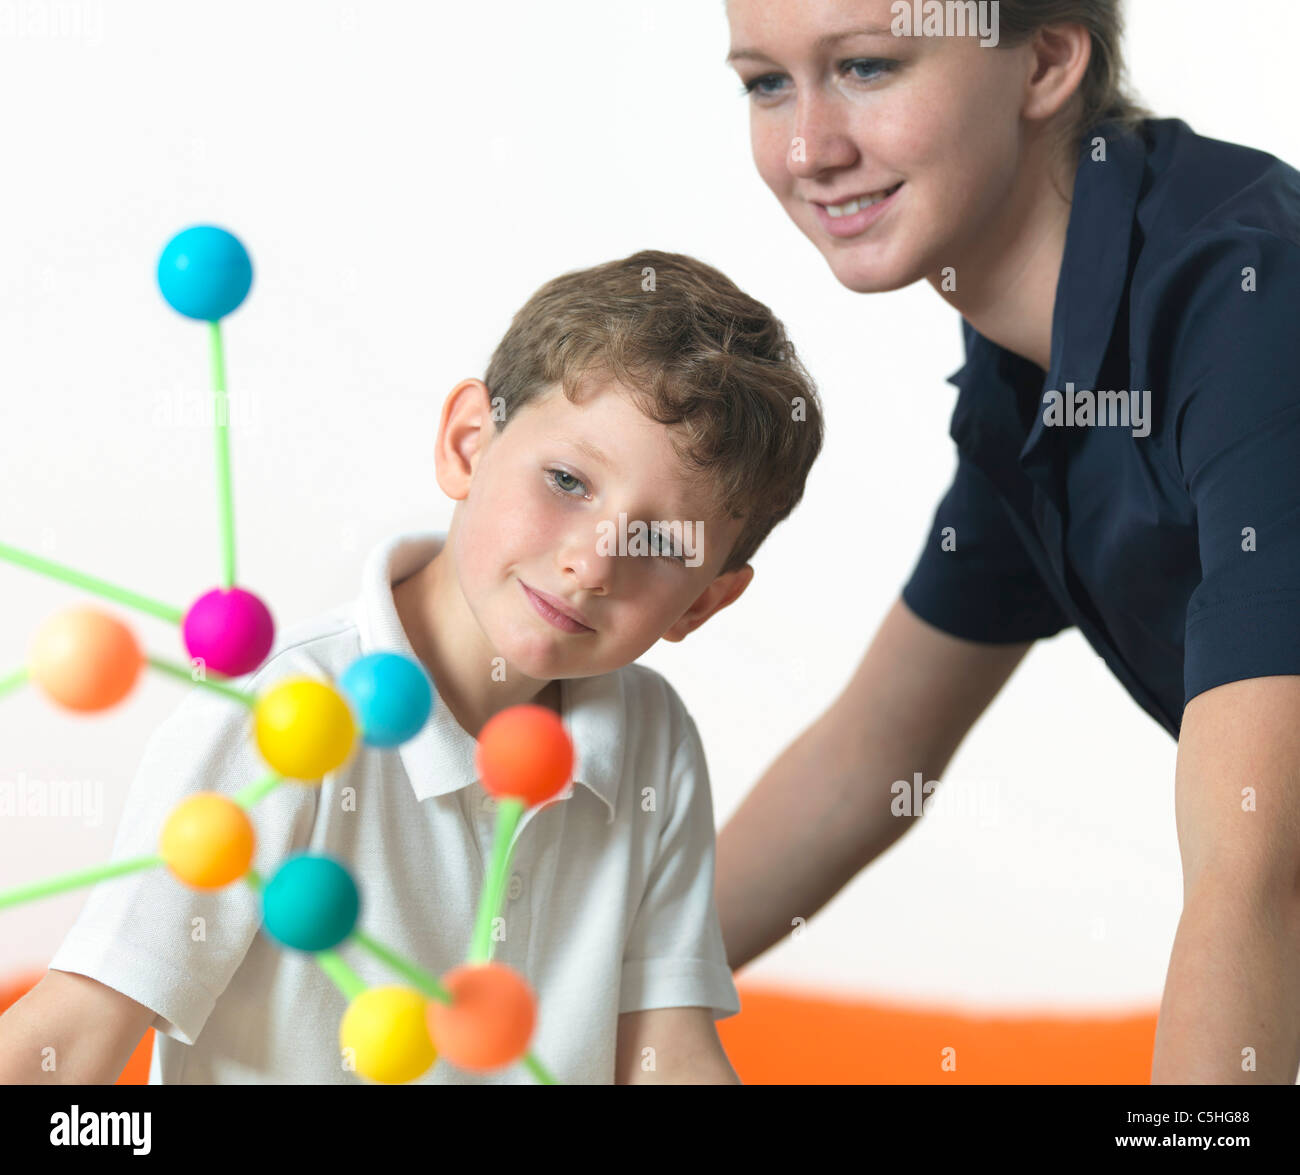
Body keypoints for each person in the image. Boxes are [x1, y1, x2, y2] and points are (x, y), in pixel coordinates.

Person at [0, 249, 824, 1085]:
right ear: (468, 444)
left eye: (658, 540)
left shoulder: (653, 738)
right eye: (568, 480)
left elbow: (666, 1053)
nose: (594, 563)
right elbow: (70, 1038)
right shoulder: (284, 715)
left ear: (704, 603)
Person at [716, 0, 1300, 1083]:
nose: (810, 148)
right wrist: (573, 989)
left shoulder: (1249, 303)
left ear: (1044, 63)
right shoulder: (1030, 373)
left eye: (867, 67)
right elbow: (870, 755)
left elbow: (1260, 866)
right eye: (764, 83)